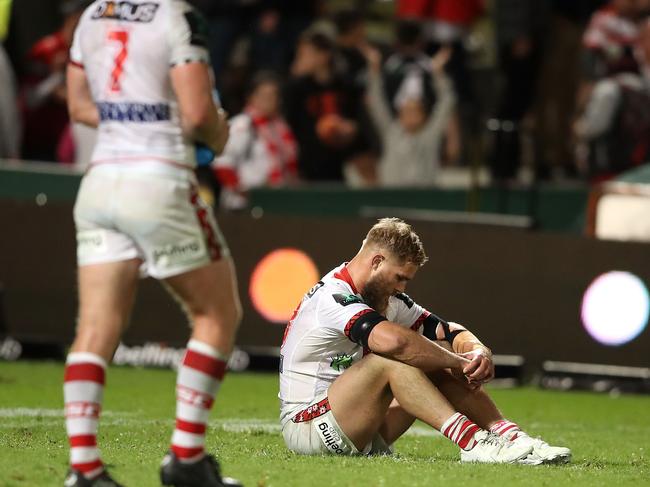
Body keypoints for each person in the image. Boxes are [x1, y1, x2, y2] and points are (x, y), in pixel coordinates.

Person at [64, 1, 241, 486]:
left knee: (96, 327)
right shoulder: (177, 16)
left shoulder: (92, 14)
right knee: (216, 314)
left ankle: (84, 469)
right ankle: (186, 460)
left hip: (100, 182)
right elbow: (199, 114)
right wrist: (219, 132)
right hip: (158, 180)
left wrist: (132, 121)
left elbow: (78, 106)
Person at [279, 218, 571, 464]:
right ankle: (473, 443)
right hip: (308, 427)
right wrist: (456, 362)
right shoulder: (332, 296)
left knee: (433, 349)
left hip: (359, 424)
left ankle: (513, 438)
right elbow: (395, 344)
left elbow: (447, 331)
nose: (401, 287)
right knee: (391, 357)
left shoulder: (386, 298)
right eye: (399, 277)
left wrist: (476, 351)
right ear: (377, 261)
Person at [366, 45, 455, 187]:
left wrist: (438, 73)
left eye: (415, 111)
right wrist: (374, 69)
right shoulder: (391, 132)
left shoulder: (430, 134)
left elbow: (446, 102)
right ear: (399, 115)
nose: (411, 115)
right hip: (392, 198)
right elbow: (375, 101)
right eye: (406, 111)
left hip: (425, 197)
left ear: (423, 116)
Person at [213, 71, 298, 210]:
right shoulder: (242, 125)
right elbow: (222, 163)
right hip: (243, 205)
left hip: (275, 204)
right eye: (265, 96)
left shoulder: (281, 128)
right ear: (252, 98)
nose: (271, 101)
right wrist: (241, 191)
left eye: (274, 96)